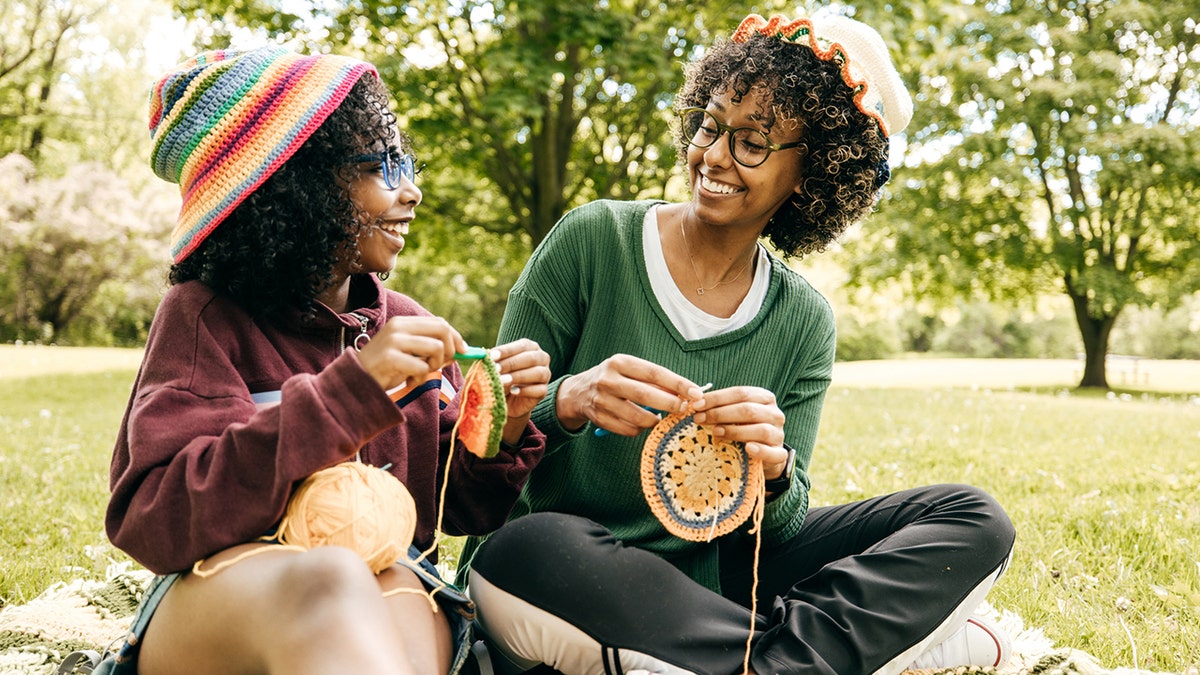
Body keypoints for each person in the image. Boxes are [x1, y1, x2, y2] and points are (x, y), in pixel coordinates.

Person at [457, 11, 1016, 675]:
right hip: (562, 574)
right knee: (533, 545)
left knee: (973, 517)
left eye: (752, 142)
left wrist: (775, 470)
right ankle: (843, 649)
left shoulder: (803, 319)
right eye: (711, 124)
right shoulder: (591, 241)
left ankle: (772, 663)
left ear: (812, 175)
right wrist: (565, 400)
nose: (714, 155)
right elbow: (479, 438)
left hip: (703, 590)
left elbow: (778, 531)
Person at [97, 46, 550, 675]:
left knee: (400, 611)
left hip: (394, 574)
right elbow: (156, 516)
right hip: (228, 587)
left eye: (406, 162)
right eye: (383, 166)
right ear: (297, 185)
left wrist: (499, 429)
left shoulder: (407, 322)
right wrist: (349, 393)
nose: (413, 191)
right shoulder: (206, 318)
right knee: (336, 579)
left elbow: (455, 509)